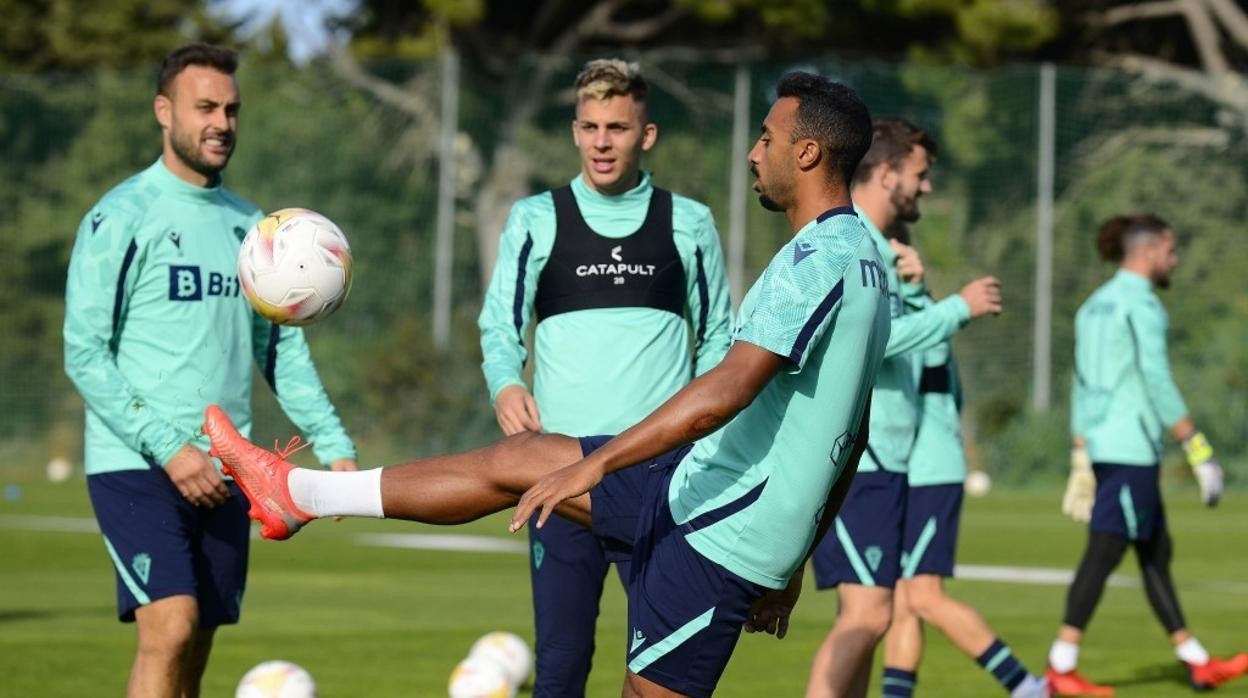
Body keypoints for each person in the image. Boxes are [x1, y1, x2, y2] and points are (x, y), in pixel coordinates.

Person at [202, 71, 888, 698]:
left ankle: (301, 496)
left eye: (767, 138)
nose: (752, 153)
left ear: (806, 154)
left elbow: (726, 390)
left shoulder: (814, 261)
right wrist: (797, 558)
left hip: (718, 532)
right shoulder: (863, 257)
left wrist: (596, 466)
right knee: (516, 459)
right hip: (704, 489)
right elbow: (849, 436)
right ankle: (299, 494)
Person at [62, 43, 358, 698]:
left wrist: (334, 445)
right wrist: (170, 448)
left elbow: (280, 349)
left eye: (231, 109)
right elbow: (84, 350)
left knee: (194, 650)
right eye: (205, 107)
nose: (221, 122)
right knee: (169, 628)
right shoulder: (122, 217)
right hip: (136, 463)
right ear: (164, 111)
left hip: (229, 467)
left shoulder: (254, 229)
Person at [477, 58, 732, 697]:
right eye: (589, 126)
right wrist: (506, 382)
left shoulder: (690, 222)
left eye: (617, 127)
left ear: (646, 135)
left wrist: (698, 437)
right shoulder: (535, 218)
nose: (601, 141)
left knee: (664, 673)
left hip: (657, 479)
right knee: (561, 665)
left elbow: (719, 339)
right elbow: (498, 325)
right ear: (573, 131)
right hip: (560, 480)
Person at [804, 117, 1033, 698]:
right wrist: (958, 307)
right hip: (858, 458)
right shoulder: (854, 242)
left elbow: (906, 338)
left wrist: (916, 293)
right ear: (885, 173)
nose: (926, 187)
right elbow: (876, 340)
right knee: (868, 615)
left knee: (869, 617)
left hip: (886, 459)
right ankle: (1031, 687)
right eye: (920, 174)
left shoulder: (880, 250)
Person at [1046, 213, 1246, 696]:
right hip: (1129, 449)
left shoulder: (1093, 305)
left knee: (1155, 549)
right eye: (1171, 250)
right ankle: (1061, 666)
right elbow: (1156, 380)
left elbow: (1079, 380)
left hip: (1102, 447)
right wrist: (1197, 448)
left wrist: (1080, 449)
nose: (1174, 259)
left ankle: (1196, 659)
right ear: (1150, 251)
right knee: (1106, 549)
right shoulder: (1141, 305)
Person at [875, 221, 1046, 698]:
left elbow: (906, 352)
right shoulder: (916, 311)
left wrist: (916, 290)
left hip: (929, 473)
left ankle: (1028, 686)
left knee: (923, 598)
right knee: (903, 604)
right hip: (909, 471)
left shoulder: (924, 314)